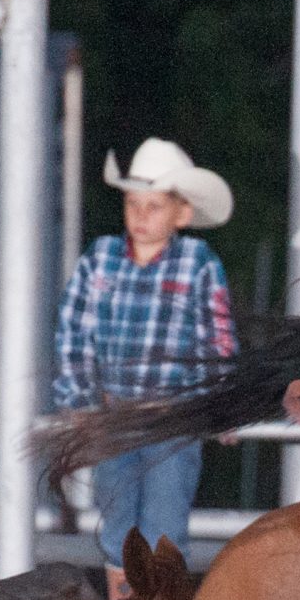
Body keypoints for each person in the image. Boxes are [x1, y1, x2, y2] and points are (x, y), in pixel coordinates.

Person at [53, 138, 237, 571]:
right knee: (118, 531)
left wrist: (223, 404)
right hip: (116, 416)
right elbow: (73, 333)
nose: (140, 216)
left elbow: (219, 340)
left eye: (154, 206)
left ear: (182, 213)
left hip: (175, 417)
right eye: (133, 204)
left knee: (164, 531)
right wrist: (80, 402)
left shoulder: (198, 263)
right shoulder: (100, 259)